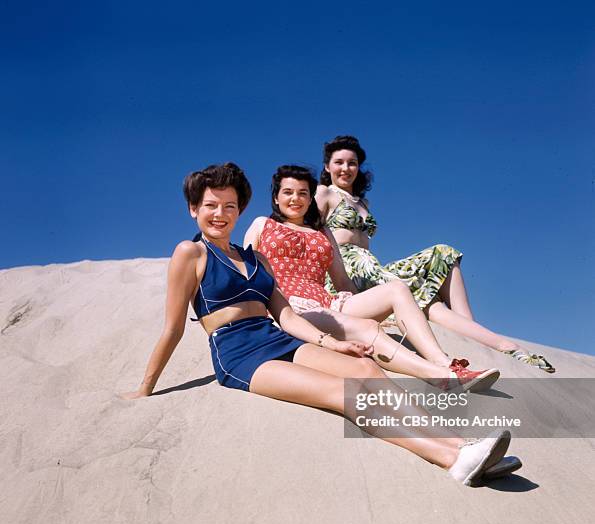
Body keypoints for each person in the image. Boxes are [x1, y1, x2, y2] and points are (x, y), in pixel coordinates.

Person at [121, 162, 519, 486]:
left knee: (366, 367)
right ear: (194, 208)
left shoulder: (255, 259)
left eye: (229, 206)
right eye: (210, 205)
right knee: (344, 393)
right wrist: (145, 388)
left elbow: (287, 316)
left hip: (275, 337)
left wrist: (332, 344)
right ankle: (452, 460)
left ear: (239, 210)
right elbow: (173, 328)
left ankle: (460, 443)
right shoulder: (190, 253)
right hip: (239, 354)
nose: (220, 214)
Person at [244, 165, 500, 392]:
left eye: (302, 193)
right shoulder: (261, 224)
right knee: (367, 329)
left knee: (397, 289)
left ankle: (442, 361)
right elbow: (248, 274)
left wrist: (365, 308)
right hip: (290, 307)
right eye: (288, 192)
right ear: (276, 198)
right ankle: (440, 377)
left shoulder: (322, 232)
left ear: (311, 199)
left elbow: (342, 281)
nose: (295, 198)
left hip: (329, 302)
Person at [315, 135, 555, 373]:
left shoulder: (363, 202)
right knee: (423, 298)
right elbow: (309, 235)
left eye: (352, 163)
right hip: (346, 273)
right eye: (339, 162)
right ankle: (504, 346)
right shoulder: (324, 193)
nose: (346, 168)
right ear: (328, 166)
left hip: (372, 270)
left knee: (443, 253)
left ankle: (472, 330)